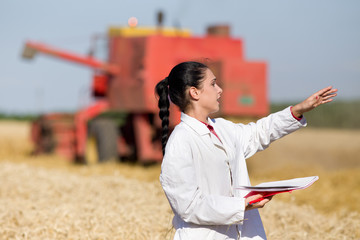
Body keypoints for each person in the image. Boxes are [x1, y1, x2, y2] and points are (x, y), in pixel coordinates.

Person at [155, 61, 337, 240]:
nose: (219, 89)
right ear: (194, 92)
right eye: (213, 84)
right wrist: (242, 205)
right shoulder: (180, 141)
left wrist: (297, 110)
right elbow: (188, 206)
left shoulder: (223, 129)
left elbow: (259, 133)